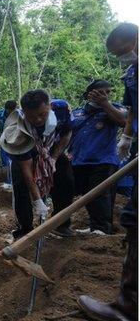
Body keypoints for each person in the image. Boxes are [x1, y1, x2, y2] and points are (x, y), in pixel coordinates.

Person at [77, 22, 138, 321]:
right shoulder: (133, 74)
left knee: (132, 218)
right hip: (113, 155)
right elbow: (134, 113)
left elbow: (123, 112)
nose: (122, 59)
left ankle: (129, 310)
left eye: (122, 52)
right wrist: (128, 137)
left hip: (106, 161)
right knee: (132, 219)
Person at [0, 90, 73, 240]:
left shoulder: (62, 109)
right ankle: (25, 229)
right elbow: (27, 170)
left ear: (49, 106)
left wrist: (53, 158)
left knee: (66, 180)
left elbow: (67, 133)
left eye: (42, 114)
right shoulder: (16, 129)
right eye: (32, 117)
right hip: (26, 150)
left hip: (52, 147)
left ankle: (61, 223)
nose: (38, 119)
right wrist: (38, 200)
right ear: (24, 112)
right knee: (21, 187)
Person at [70, 80, 126, 235]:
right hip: (80, 161)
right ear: (89, 94)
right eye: (101, 92)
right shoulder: (77, 113)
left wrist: (105, 104)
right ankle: (95, 226)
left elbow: (124, 121)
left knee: (100, 195)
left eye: (108, 92)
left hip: (103, 160)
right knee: (87, 195)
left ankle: (102, 228)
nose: (105, 95)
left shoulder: (115, 109)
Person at [0, 100, 18, 191]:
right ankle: (7, 182)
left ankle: (15, 182)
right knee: (5, 161)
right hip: (3, 140)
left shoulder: (20, 115)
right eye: (10, 110)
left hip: (15, 141)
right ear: (6, 109)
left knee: (15, 161)